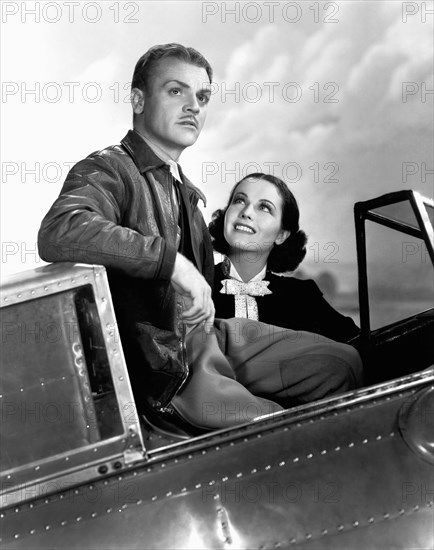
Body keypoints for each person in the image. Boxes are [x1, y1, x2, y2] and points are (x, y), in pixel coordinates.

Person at [38, 44, 363, 432]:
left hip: (210, 336)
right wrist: (173, 263)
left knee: (343, 363)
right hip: (168, 367)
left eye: (202, 96)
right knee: (280, 432)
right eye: (176, 91)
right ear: (138, 99)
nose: (193, 105)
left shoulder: (186, 194)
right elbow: (61, 230)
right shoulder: (109, 169)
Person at [209, 173, 360, 343]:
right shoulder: (193, 287)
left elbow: (361, 345)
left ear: (281, 235)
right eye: (239, 200)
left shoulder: (302, 298)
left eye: (264, 207)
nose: (246, 212)